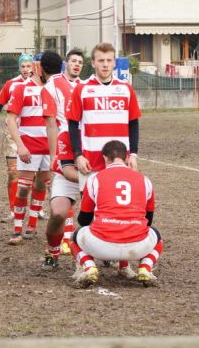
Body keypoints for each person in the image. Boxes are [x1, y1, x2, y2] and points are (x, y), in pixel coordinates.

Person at [70, 140, 164, 288]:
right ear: (126, 158)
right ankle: (145, 267)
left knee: (75, 236)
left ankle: (89, 267)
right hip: (138, 247)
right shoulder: (144, 180)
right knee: (157, 235)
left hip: (101, 245)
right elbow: (149, 218)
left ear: (105, 158)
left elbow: (84, 218)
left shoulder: (94, 178)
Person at [68, 43, 141, 190]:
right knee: (88, 211)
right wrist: (78, 156)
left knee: (116, 211)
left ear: (114, 63)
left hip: (120, 162)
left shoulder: (126, 89)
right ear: (93, 63)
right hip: (90, 163)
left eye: (109, 60)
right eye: (101, 61)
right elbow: (72, 124)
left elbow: (133, 123)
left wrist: (133, 154)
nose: (105, 65)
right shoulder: (81, 89)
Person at [40, 49, 84, 268]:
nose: (77, 65)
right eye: (73, 61)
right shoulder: (52, 85)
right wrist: (52, 158)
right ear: (66, 63)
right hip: (65, 153)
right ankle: (53, 250)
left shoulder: (85, 87)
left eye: (80, 62)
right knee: (57, 213)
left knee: (96, 212)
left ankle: (103, 251)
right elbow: (50, 124)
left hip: (87, 154)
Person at [0, 53, 34, 220]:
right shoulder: (11, 84)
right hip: (12, 134)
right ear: (19, 68)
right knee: (13, 172)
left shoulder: (40, 84)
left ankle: (36, 208)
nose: (26, 69)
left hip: (33, 133)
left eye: (29, 66)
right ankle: (14, 209)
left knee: (35, 173)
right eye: (23, 66)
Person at [6, 53, 50, 243]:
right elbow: (10, 120)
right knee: (23, 188)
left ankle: (31, 225)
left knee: (41, 185)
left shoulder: (53, 90)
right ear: (34, 67)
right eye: (39, 65)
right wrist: (20, 145)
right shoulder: (21, 89)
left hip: (50, 147)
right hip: (29, 146)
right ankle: (17, 229)